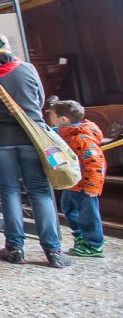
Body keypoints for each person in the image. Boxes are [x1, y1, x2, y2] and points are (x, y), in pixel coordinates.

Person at [0, 31, 68, 268]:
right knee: (40, 190)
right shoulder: (27, 69)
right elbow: (40, 99)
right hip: (31, 135)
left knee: (9, 189)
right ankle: (53, 250)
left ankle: (15, 248)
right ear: (7, 46)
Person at [48, 100, 106, 258]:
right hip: (73, 184)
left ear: (64, 119)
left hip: (86, 185)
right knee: (69, 209)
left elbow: (95, 163)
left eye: (52, 116)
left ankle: (94, 245)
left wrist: (93, 186)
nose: (50, 118)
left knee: (88, 214)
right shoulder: (66, 133)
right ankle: (81, 236)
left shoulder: (82, 139)